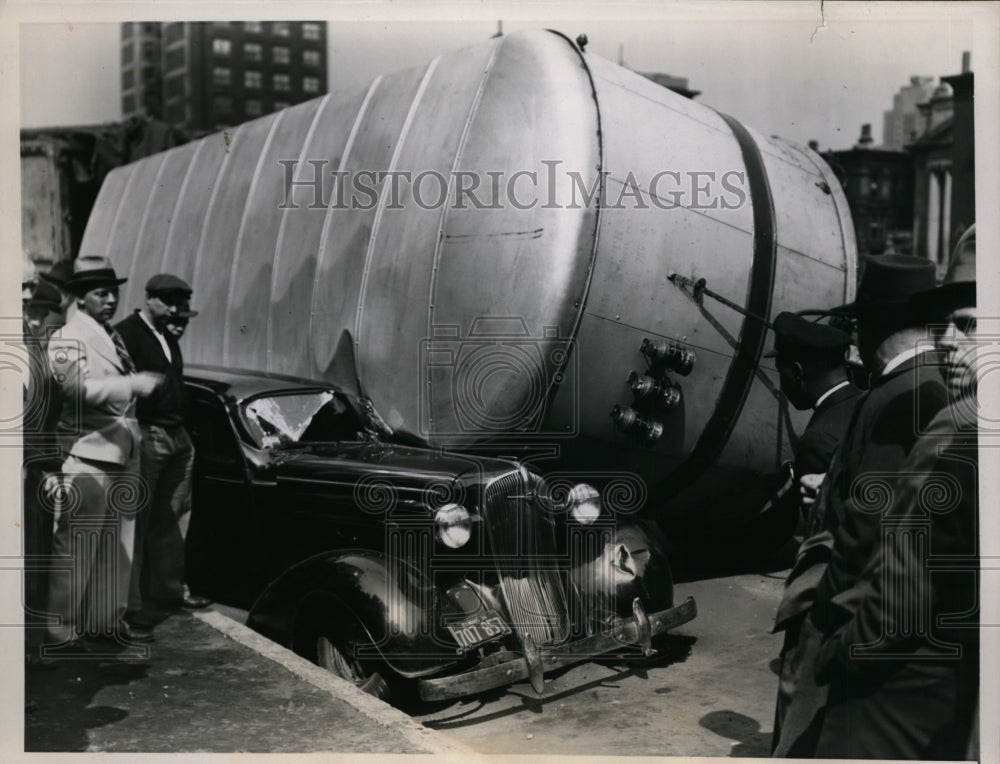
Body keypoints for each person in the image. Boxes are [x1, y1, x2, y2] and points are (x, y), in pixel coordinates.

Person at [808, 227, 979, 759]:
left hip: (901, 703)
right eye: (946, 324)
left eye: (968, 325)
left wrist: (841, 652)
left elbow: (901, 585)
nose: (946, 340)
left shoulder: (958, 437)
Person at [771, 254, 949, 757]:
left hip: (843, 618)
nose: (853, 340)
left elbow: (871, 535)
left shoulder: (900, 394)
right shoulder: (925, 384)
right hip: (878, 622)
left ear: (875, 326)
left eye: (858, 325)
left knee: (801, 742)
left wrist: (835, 639)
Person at [43, 255, 163, 652]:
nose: (110, 299)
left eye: (113, 292)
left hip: (122, 451)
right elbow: (76, 390)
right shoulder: (66, 337)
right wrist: (131, 385)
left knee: (118, 547)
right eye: (100, 293)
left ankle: (105, 622)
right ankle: (61, 629)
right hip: (87, 456)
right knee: (77, 547)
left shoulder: (107, 334)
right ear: (80, 297)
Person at [763, 312, 863, 749]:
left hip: (828, 595)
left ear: (797, 373)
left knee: (801, 715)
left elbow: (815, 535)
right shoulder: (867, 404)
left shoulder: (818, 437)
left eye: (782, 371)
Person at [115, 276, 210, 626]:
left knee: (174, 515)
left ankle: (168, 593)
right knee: (137, 519)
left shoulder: (168, 334)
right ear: (149, 298)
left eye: (179, 303)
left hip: (178, 435)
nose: (174, 309)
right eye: (167, 301)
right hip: (149, 432)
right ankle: (132, 604)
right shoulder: (126, 332)